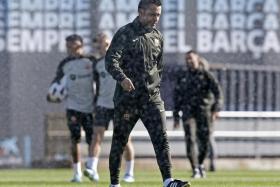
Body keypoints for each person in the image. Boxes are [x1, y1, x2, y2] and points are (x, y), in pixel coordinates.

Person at [105, 0, 190, 187]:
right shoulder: (125, 33)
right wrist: (122, 78)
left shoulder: (158, 37)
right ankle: (114, 183)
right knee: (119, 141)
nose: (156, 18)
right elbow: (111, 60)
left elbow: (158, 68)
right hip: (128, 99)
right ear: (141, 12)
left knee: (162, 139)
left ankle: (168, 181)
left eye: (158, 14)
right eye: (152, 14)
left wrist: (154, 89)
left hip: (151, 99)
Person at [83, 32, 135, 183]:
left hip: (121, 105)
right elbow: (95, 85)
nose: (102, 46)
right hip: (102, 104)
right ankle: (92, 168)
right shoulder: (96, 63)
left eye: (104, 43)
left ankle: (129, 172)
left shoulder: (122, 59)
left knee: (124, 140)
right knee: (96, 136)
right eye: (98, 43)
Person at [47, 34, 95, 183]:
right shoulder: (64, 64)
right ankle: (77, 174)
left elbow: (101, 80)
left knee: (92, 140)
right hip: (73, 107)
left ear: (81, 45)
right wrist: (52, 94)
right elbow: (56, 84)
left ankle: (92, 169)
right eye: (68, 47)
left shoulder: (91, 61)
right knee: (74, 140)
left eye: (74, 46)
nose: (71, 49)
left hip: (90, 108)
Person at [173, 50, 223, 178]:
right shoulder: (183, 76)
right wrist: (176, 117)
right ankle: (195, 168)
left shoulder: (206, 75)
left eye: (191, 58)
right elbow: (177, 97)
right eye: (187, 59)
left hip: (204, 112)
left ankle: (200, 164)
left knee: (205, 141)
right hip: (188, 112)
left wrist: (216, 109)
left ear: (197, 59)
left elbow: (218, 93)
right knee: (190, 139)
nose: (189, 61)